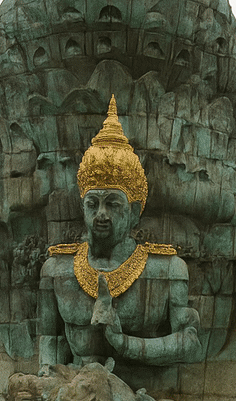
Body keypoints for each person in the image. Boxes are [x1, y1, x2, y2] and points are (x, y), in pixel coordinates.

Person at [38, 97, 201, 373]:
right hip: (72, 396)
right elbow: (50, 343)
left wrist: (124, 344)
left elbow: (190, 343)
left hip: (141, 400)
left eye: (113, 204)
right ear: (83, 208)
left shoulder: (167, 269)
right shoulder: (56, 269)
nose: (101, 214)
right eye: (93, 204)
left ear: (134, 212)